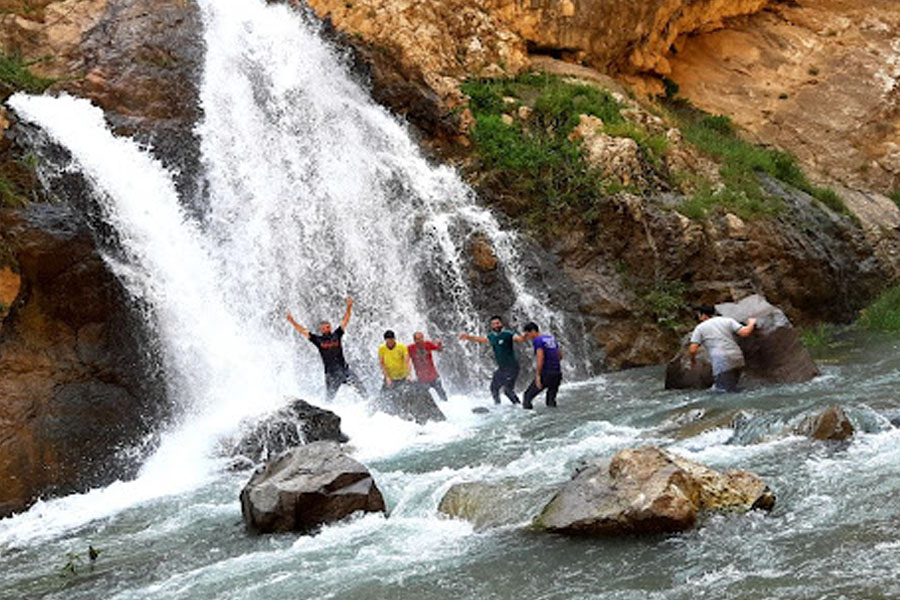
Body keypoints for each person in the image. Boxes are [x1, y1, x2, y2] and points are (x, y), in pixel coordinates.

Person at [286, 296, 368, 401]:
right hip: (331, 374)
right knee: (329, 399)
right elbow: (303, 331)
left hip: (344, 370)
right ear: (321, 329)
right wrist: (292, 321)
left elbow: (345, 321)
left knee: (361, 389)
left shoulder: (337, 335)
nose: (327, 329)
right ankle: (325, 415)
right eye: (325, 327)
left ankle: (369, 405)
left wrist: (349, 307)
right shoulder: (318, 340)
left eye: (328, 327)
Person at [688, 305, 757, 393]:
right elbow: (745, 332)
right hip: (737, 358)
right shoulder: (727, 320)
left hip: (721, 361)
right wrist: (751, 322)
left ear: (703, 315)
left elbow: (693, 349)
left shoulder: (700, 328)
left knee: (723, 392)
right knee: (732, 388)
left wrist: (693, 361)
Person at [459, 315, 524, 405]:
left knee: (508, 390)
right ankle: (497, 406)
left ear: (501, 324)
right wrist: (468, 337)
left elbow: (518, 338)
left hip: (512, 368)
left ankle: (520, 407)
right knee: (494, 388)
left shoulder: (508, 334)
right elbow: (482, 339)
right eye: (493, 324)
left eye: (497, 323)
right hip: (502, 369)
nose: (496, 325)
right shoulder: (491, 337)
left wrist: (527, 336)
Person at [521, 322, 563, 409]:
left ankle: (530, 421)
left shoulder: (537, 340)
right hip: (557, 373)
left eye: (527, 334)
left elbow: (540, 358)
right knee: (551, 401)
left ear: (533, 331)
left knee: (527, 397)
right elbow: (559, 355)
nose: (528, 337)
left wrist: (538, 376)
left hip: (546, 374)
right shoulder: (551, 338)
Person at [408, 331, 448, 402]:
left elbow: (439, 350)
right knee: (424, 398)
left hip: (433, 376)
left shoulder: (427, 344)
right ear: (414, 340)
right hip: (422, 379)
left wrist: (439, 344)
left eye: (421, 339)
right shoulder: (410, 348)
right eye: (417, 339)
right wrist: (409, 375)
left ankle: (447, 406)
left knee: (442, 395)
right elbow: (405, 360)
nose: (420, 341)